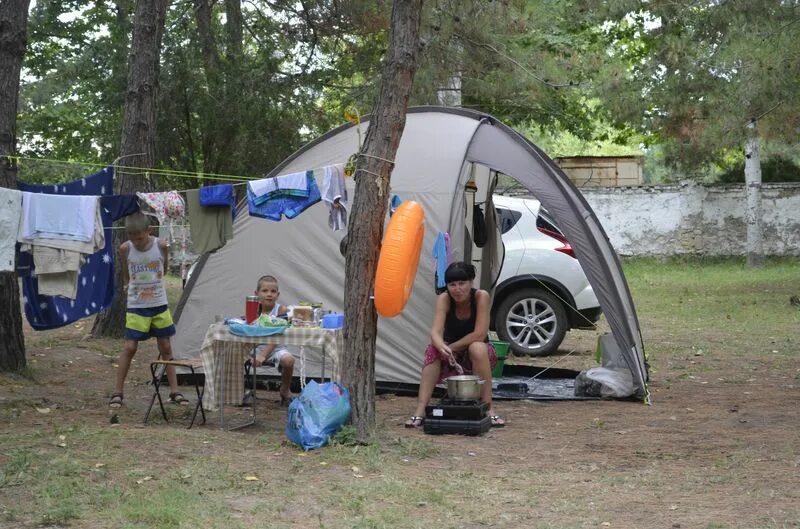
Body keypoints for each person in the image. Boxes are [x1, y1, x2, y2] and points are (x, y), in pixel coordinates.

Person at [405, 261, 505, 428]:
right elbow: (435, 332)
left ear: (471, 282)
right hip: (451, 349)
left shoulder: (481, 296)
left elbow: (479, 334)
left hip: (477, 350)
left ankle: (488, 408)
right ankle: (421, 409)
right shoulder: (444, 298)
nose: (457, 289)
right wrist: (441, 346)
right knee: (432, 350)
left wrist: (450, 348)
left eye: (462, 283)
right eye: (452, 285)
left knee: (477, 347)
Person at [109, 212, 188, 408]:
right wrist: (129, 286)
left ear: (148, 231)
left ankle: (174, 391)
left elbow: (165, 267)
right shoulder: (125, 249)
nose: (136, 242)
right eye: (132, 238)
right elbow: (126, 274)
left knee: (166, 347)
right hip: (137, 306)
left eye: (140, 238)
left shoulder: (160, 246)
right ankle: (118, 392)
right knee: (130, 347)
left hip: (159, 304)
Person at [243, 275, 295, 406]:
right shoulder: (253, 308)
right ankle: (242, 390)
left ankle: (285, 389)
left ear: (278, 294)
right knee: (233, 354)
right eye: (265, 291)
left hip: (276, 349)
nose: (269, 295)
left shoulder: (281, 310)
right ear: (257, 293)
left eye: (273, 291)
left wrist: (262, 355)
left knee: (289, 360)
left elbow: (277, 336)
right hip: (255, 348)